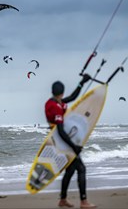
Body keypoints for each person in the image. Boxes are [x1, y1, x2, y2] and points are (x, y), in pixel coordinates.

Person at [45, 74, 96, 209]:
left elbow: (72, 98)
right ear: (62, 93)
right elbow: (61, 131)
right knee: (81, 168)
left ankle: (62, 200)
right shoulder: (55, 106)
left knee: (70, 170)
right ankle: (84, 202)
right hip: (62, 142)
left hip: (61, 141)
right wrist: (74, 147)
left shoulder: (54, 102)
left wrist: (82, 83)